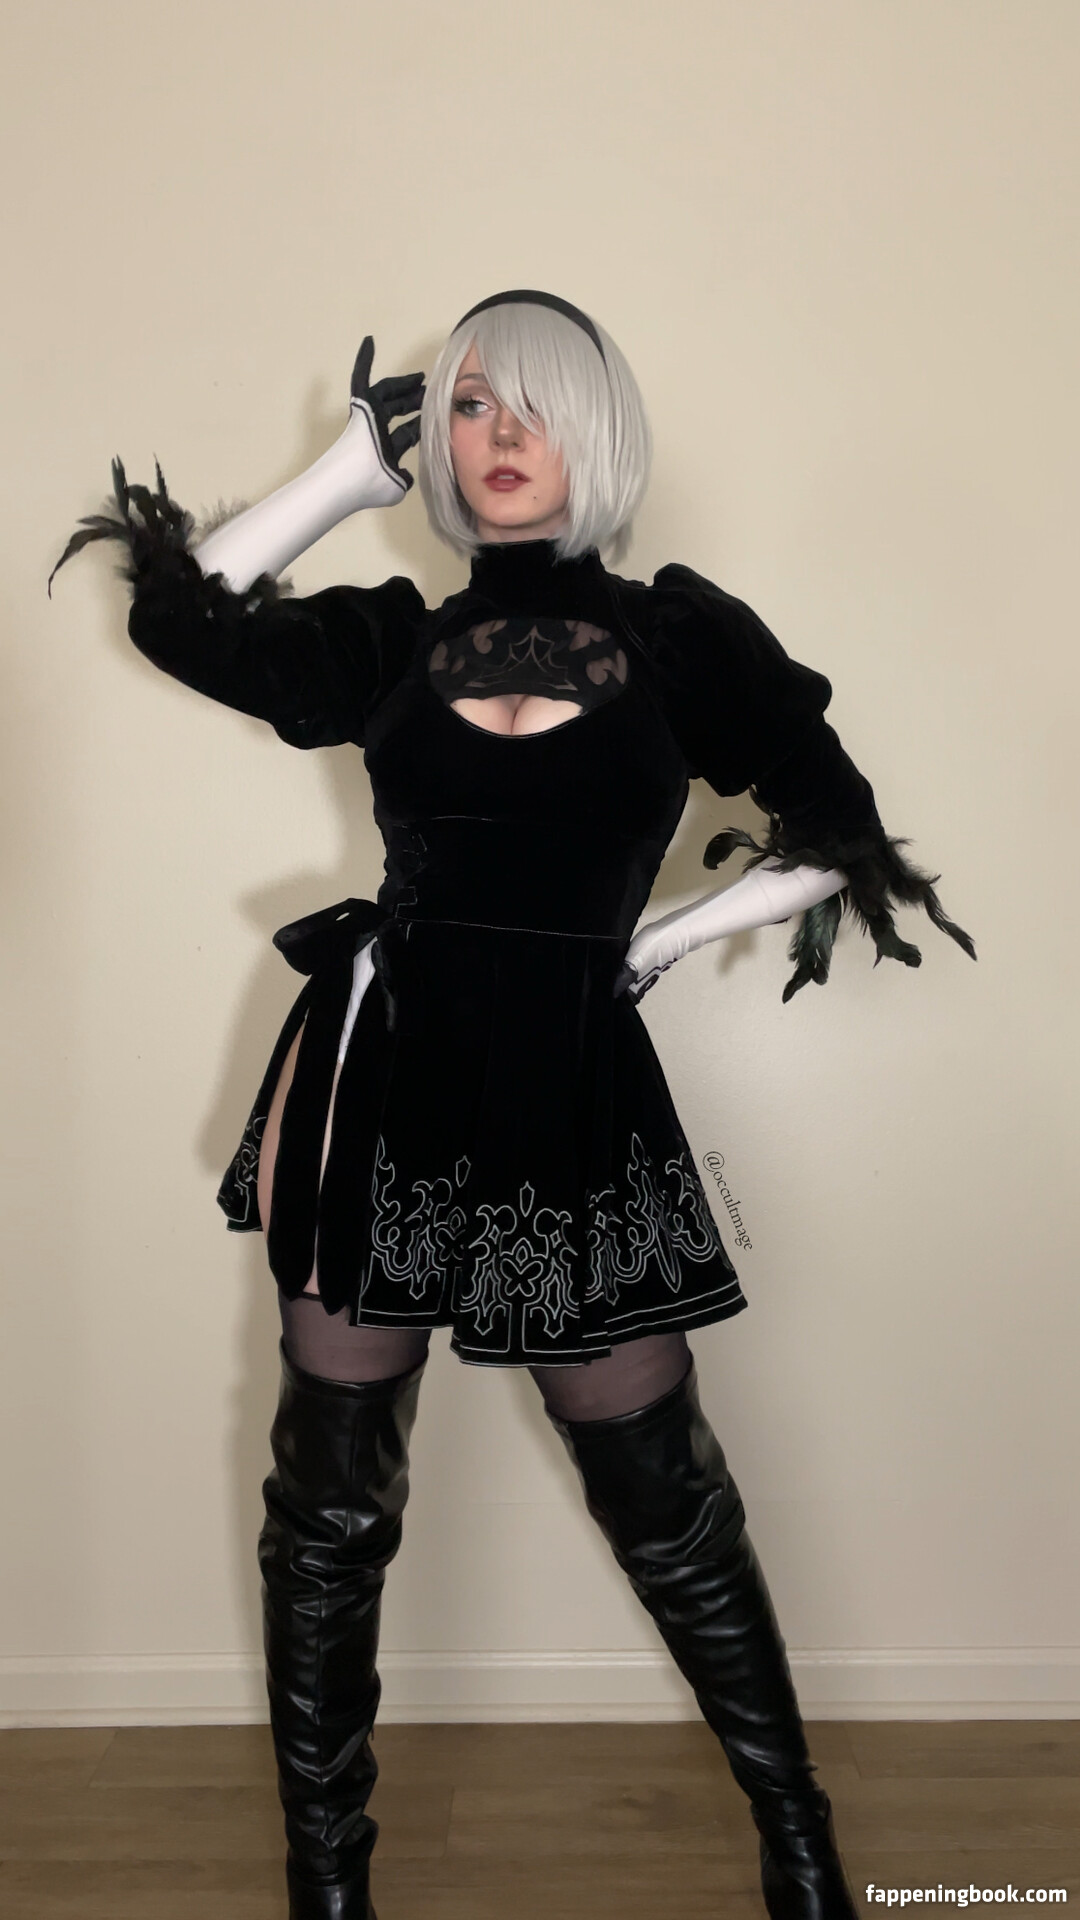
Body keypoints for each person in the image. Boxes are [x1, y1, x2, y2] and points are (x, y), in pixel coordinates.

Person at [52, 290, 975, 1920]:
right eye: (469, 404)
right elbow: (185, 624)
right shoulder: (395, 639)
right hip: (386, 1073)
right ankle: (328, 1883)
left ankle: (802, 1851)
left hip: (569, 1089)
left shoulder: (682, 641)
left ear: (597, 429)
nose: (494, 433)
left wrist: (658, 944)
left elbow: (842, 827)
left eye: (533, 402)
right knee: (329, 1504)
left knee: (665, 1494)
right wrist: (343, 472)